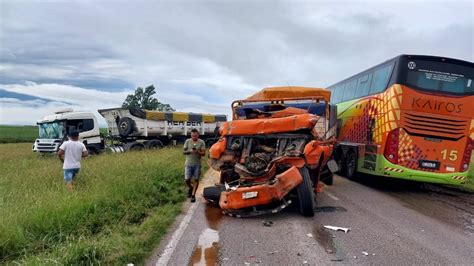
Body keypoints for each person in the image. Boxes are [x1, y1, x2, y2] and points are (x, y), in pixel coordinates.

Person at [183, 128, 206, 202]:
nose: (194, 137)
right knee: (187, 179)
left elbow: (203, 154)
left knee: (196, 179)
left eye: (195, 136)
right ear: (191, 135)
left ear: (198, 135)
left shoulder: (202, 142)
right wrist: (189, 151)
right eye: (192, 136)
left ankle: (193, 195)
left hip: (197, 165)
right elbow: (183, 152)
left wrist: (197, 151)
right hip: (188, 164)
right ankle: (191, 187)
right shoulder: (187, 141)